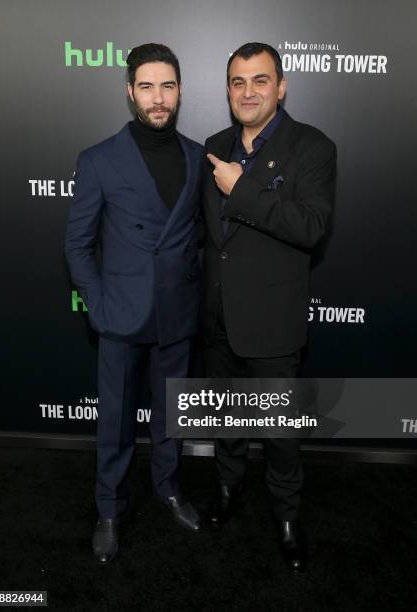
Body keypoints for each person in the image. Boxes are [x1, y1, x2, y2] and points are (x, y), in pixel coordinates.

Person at [65, 43, 203, 565]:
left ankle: (168, 488)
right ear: (129, 92)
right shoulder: (99, 159)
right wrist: (98, 306)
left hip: (176, 313)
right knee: (116, 420)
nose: (158, 97)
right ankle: (109, 509)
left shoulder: (196, 156)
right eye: (146, 86)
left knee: (171, 415)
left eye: (167, 85)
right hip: (120, 313)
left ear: (180, 90)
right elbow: (77, 244)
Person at [202, 42, 337, 572]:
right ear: (228, 90)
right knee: (228, 424)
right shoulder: (213, 144)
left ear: (281, 87)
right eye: (238, 81)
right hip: (216, 322)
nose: (248, 91)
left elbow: (310, 228)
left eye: (260, 80)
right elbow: (208, 238)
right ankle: (229, 491)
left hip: (274, 327)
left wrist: (243, 188)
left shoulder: (313, 147)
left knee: (281, 437)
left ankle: (286, 515)